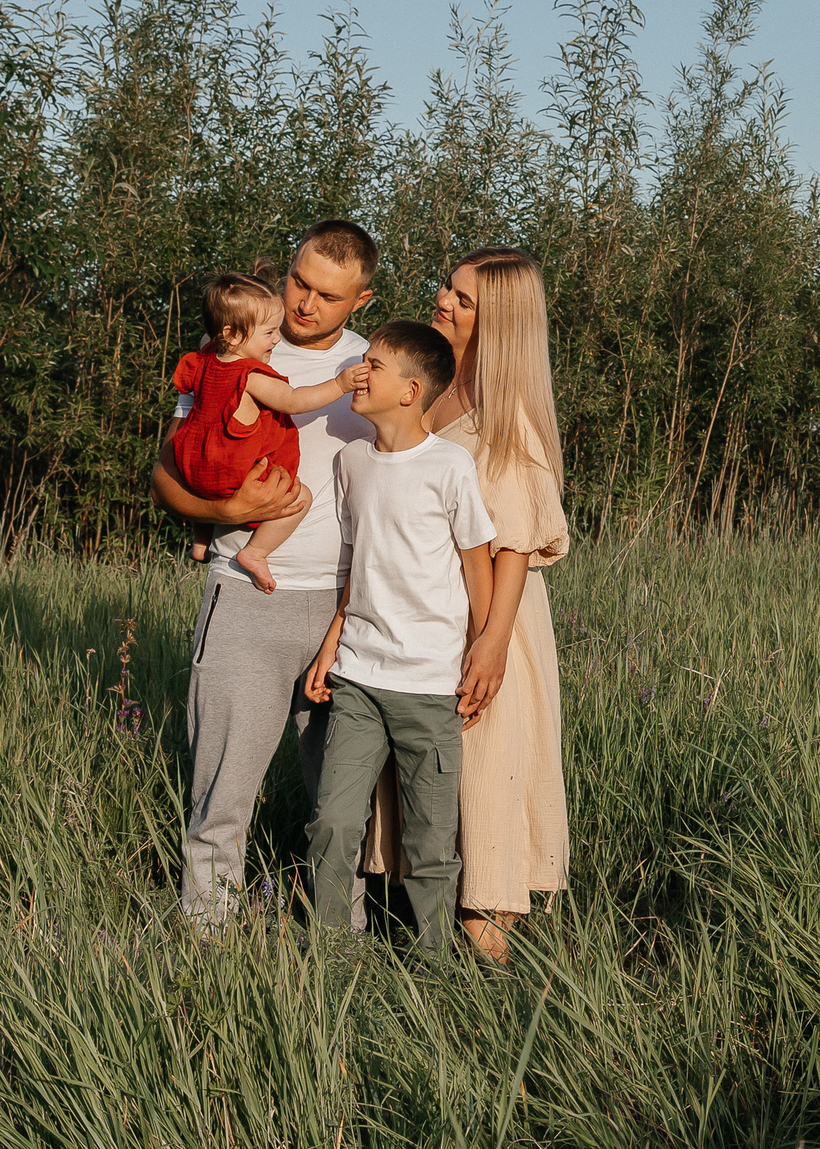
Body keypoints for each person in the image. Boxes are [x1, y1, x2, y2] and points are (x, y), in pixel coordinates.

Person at [152, 219, 377, 928]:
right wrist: (226, 506)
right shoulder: (227, 350)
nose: (307, 304)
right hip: (244, 598)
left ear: (362, 301)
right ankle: (204, 954)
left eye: (329, 296)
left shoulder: (375, 368)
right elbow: (165, 474)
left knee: (346, 809)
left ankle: (344, 953)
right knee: (221, 800)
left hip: (347, 610)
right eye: (299, 282)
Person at [363, 245, 571, 963]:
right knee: (433, 781)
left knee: (485, 778)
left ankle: (489, 974)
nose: (443, 302)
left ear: (501, 320)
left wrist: (491, 641)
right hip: (428, 612)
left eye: (463, 298)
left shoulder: (504, 411)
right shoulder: (437, 386)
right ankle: (429, 946)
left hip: (492, 619)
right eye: (446, 289)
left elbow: (515, 541)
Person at [300, 321, 495, 950]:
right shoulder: (351, 462)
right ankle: (330, 954)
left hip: (430, 686)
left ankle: (435, 968)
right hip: (358, 675)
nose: (361, 373)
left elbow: (477, 564)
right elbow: (357, 564)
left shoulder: (449, 465)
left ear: (411, 391)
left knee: (430, 839)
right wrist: (331, 646)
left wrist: (481, 650)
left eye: (374, 365)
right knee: (332, 821)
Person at [171, 271, 371, 592]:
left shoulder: (205, 360)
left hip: (194, 466)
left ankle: (200, 539)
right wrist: (340, 383)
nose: (277, 340)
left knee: (208, 484)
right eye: (269, 332)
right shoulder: (250, 375)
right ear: (232, 335)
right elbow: (293, 400)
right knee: (299, 497)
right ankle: (256, 552)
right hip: (230, 477)